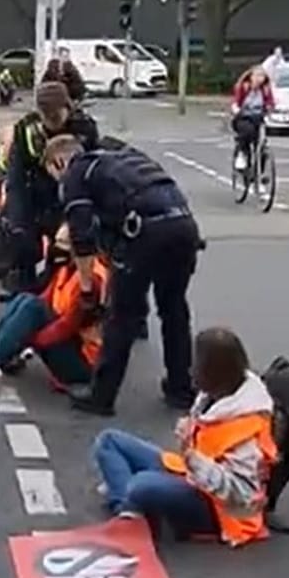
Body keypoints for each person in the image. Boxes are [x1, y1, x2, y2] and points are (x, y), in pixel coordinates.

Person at [42, 134, 199, 416]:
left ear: (59, 161)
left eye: (53, 174)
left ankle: (101, 396)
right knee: (174, 309)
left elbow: (82, 236)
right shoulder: (123, 159)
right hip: (184, 225)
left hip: (145, 232)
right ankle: (180, 387)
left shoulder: (77, 173)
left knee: (121, 317)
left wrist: (88, 289)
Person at [89, 327, 276, 545]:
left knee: (141, 484)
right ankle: (130, 510)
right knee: (109, 441)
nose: (191, 369)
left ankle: (129, 505)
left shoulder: (246, 428)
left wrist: (194, 458)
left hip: (216, 507)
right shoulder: (214, 395)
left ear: (213, 373)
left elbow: (241, 493)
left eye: (197, 364)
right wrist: (190, 430)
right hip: (188, 474)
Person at [0, 225, 110, 395]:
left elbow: (66, 327)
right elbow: (44, 300)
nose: (57, 248)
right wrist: (16, 335)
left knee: (31, 307)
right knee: (25, 299)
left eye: (64, 244)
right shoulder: (67, 269)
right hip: (70, 345)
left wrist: (27, 338)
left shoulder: (91, 282)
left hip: (85, 363)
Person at [3, 81, 103, 294]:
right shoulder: (26, 130)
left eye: (56, 118)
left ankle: (61, 288)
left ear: (67, 107)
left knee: (68, 246)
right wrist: (17, 219)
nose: (52, 124)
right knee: (21, 240)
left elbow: (95, 175)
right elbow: (16, 177)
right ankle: (23, 287)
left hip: (72, 195)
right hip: (36, 193)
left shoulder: (84, 128)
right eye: (46, 118)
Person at [230, 66, 276, 173]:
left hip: (258, 118)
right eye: (257, 76)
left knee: (261, 148)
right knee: (247, 131)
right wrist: (236, 109)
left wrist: (270, 108)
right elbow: (235, 102)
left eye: (262, 76)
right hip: (243, 118)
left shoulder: (265, 89)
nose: (259, 79)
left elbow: (270, 102)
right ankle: (241, 153)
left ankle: (259, 175)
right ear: (251, 77)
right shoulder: (243, 87)